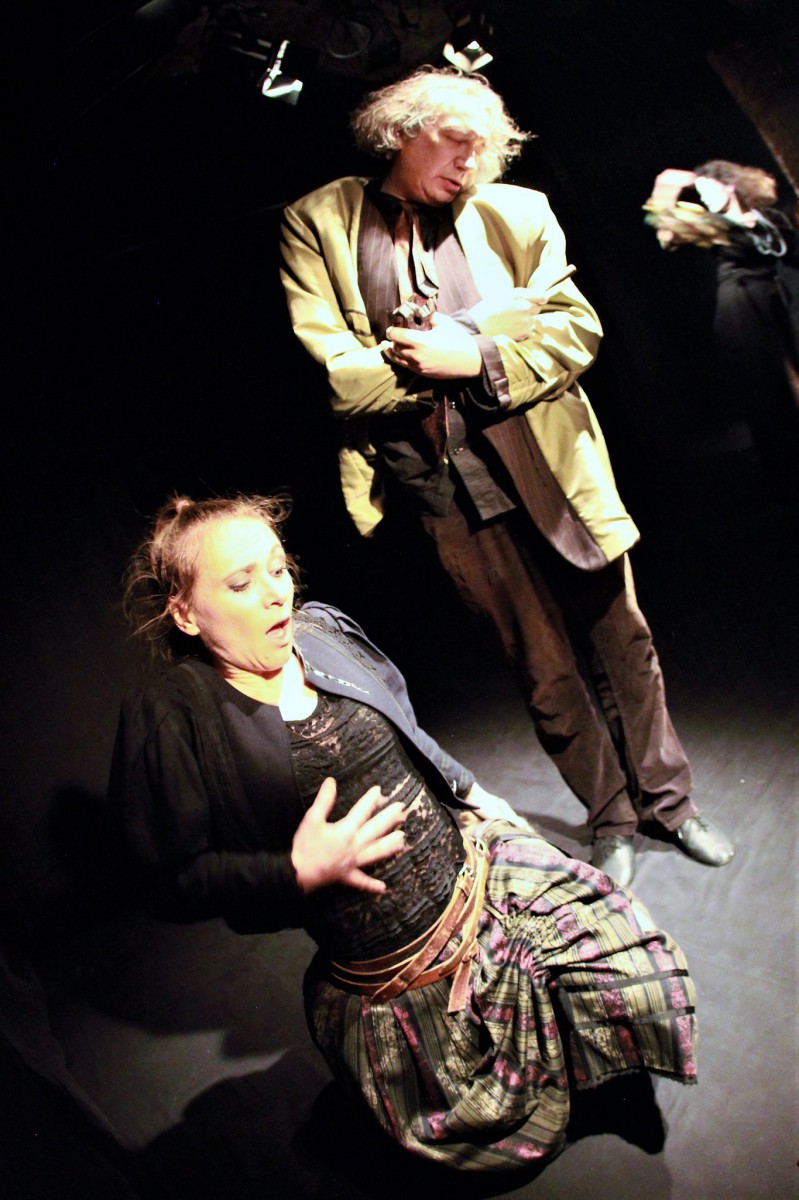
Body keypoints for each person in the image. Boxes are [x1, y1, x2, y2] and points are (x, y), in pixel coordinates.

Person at [108, 492, 698, 1172]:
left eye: (277, 568)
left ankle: (587, 1066)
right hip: (393, 965)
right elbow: (165, 877)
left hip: (476, 875)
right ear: (185, 612)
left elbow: (406, 729)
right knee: (485, 1132)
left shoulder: (322, 631)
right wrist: (292, 873)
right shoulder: (176, 715)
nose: (276, 594)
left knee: (634, 975)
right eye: (241, 584)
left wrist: (474, 793)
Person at [279, 66, 734, 887]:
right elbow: (340, 380)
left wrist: (472, 355)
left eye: (482, 150)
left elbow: (574, 333)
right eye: (455, 143)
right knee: (541, 667)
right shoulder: (319, 222)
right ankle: (610, 817)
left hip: (549, 465)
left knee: (624, 642)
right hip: (443, 486)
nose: (469, 163)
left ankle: (670, 804)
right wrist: (471, 338)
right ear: (402, 132)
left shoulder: (516, 212)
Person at [645, 160, 799, 496]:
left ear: (729, 185)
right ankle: (785, 473)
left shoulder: (768, 219)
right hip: (742, 307)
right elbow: (666, 235)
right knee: (765, 387)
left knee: (792, 378)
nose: (703, 198)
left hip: (777, 299)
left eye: (707, 190)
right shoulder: (715, 226)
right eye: (700, 193)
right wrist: (666, 186)